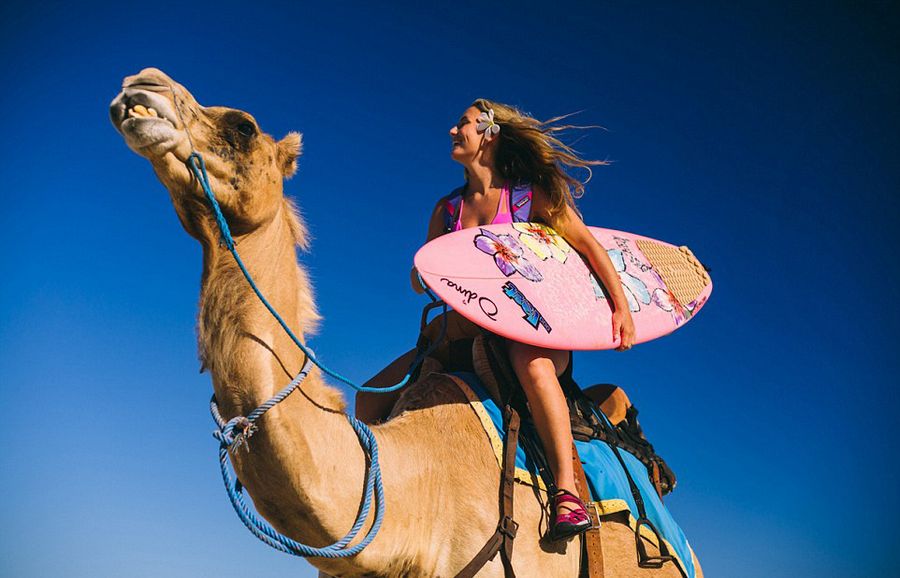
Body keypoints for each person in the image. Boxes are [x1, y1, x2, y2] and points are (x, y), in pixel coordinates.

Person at [360, 99, 636, 542]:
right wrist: (421, 273)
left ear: (489, 133)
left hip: (531, 328)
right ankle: (379, 500)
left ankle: (567, 491)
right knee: (367, 399)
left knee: (532, 365)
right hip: (460, 332)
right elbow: (425, 276)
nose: (453, 131)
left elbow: (589, 246)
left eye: (463, 124)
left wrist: (620, 307)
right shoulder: (447, 210)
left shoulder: (528, 196)